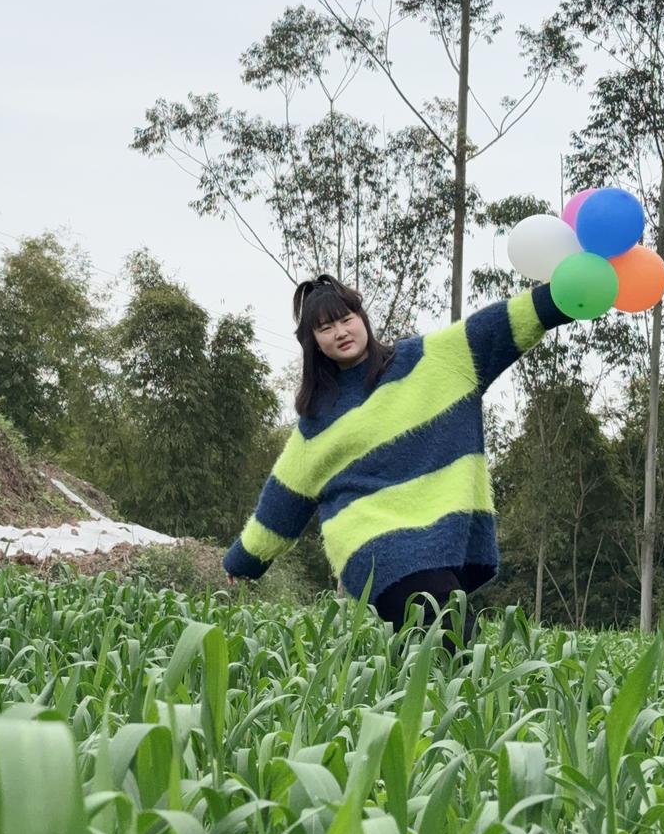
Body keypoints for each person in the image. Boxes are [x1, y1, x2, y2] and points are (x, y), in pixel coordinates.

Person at [223, 274, 574, 649]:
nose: (340, 332)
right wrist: (242, 561)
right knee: (456, 640)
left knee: (424, 651)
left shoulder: (431, 359)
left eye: (346, 318)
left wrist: (564, 295)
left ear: (362, 318)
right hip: (374, 542)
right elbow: (282, 502)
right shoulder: (317, 419)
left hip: (439, 531)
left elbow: (500, 326)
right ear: (314, 343)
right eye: (325, 328)